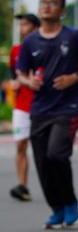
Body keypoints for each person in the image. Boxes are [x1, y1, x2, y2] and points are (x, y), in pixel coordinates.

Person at [16, 0, 78, 228]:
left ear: (62, 10)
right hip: (40, 109)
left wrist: (74, 77)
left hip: (67, 108)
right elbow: (21, 72)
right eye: (43, 2)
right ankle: (57, 208)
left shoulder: (73, 36)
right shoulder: (30, 41)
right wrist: (28, 81)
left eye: (53, 3)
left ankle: (70, 200)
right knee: (42, 162)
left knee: (56, 155)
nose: (47, 6)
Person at [9, 13, 40, 201]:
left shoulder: (44, 47)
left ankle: (54, 188)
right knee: (20, 145)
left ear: (35, 28)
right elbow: (14, 74)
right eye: (20, 25)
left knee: (44, 151)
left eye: (26, 24)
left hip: (41, 105)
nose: (22, 28)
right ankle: (23, 185)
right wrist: (15, 82)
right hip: (21, 105)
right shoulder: (15, 51)